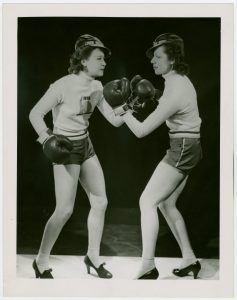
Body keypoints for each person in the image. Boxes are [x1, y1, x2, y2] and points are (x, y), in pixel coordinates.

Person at [103, 33, 202, 280]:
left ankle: (148, 265)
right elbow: (172, 106)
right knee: (166, 204)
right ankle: (190, 259)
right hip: (187, 146)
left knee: (147, 201)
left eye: (158, 56)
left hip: (182, 148)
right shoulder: (177, 81)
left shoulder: (175, 89)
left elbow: (142, 131)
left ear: (173, 59)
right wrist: (152, 94)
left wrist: (120, 108)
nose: (153, 61)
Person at [29, 34, 124, 279]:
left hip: (85, 144)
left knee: (100, 202)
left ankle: (93, 257)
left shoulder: (96, 86)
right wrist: (47, 138)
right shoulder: (62, 85)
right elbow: (35, 114)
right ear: (83, 61)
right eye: (99, 58)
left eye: (105, 59)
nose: (104, 63)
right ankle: (40, 261)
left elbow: (114, 120)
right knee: (64, 211)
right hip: (64, 146)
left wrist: (130, 104)